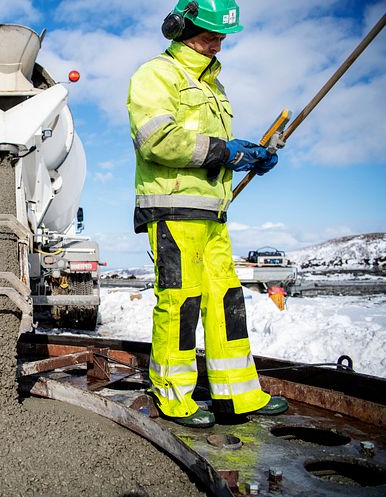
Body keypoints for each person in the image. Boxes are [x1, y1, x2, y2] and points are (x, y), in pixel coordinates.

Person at [127, 0, 288, 428]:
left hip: (213, 215)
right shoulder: (156, 75)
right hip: (173, 210)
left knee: (226, 302)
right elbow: (157, 140)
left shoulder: (215, 86)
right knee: (181, 303)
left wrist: (249, 154)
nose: (217, 45)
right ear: (178, 27)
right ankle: (174, 398)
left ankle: (238, 396)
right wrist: (226, 152)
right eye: (209, 36)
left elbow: (212, 146)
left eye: (221, 38)